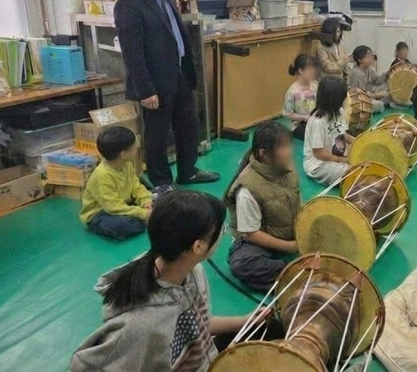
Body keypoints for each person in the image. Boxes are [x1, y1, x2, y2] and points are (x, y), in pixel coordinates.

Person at [70, 190, 264, 371]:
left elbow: (196, 325)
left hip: (207, 362)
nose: (223, 233)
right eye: (221, 229)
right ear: (198, 247)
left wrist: (245, 321)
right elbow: (82, 365)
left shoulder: (193, 271)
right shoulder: (140, 327)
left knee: (267, 329)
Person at [115, 0, 218, 187]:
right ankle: (162, 181)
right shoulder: (129, 3)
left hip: (180, 74)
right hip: (155, 82)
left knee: (188, 125)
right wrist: (146, 91)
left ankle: (187, 171)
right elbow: (132, 53)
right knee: (158, 134)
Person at [224, 123, 300, 291]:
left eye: (289, 145)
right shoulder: (248, 189)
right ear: (263, 154)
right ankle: (294, 272)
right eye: (283, 147)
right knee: (242, 263)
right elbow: (252, 235)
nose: (290, 151)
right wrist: (293, 246)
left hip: (286, 233)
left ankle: (290, 274)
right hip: (258, 245)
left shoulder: (287, 169)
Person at [79, 126, 152, 241]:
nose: (137, 148)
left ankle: (147, 217)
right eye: (133, 146)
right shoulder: (102, 175)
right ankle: (147, 220)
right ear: (123, 154)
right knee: (122, 225)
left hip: (124, 204)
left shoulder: (127, 164)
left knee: (162, 200)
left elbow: (136, 186)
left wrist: (146, 201)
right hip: (101, 213)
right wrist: (142, 213)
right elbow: (112, 207)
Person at [303, 76, 355, 185]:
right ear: (335, 100)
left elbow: (342, 134)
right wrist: (344, 160)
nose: (346, 99)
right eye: (344, 96)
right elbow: (319, 154)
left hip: (337, 157)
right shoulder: (317, 122)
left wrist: (359, 141)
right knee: (350, 173)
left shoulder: (339, 112)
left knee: (364, 159)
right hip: (319, 164)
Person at [283, 54, 320, 140]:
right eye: (310, 69)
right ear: (301, 71)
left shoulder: (316, 85)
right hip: (300, 125)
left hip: (316, 121)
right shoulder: (293, 91)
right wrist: (304, 118)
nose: (314, 72)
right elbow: (288, 114)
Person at [348, 45, 388, 113]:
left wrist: (387, 74)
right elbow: (358, 94)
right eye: (368, 56)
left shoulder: (369, 69)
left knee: (387, 88)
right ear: (359, 60)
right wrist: (376, 95)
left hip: (370, 95)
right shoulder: (356, 73)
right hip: (359, 101)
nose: (371, 58)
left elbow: (377, 82)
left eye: (371, 56)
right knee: (379, 104)